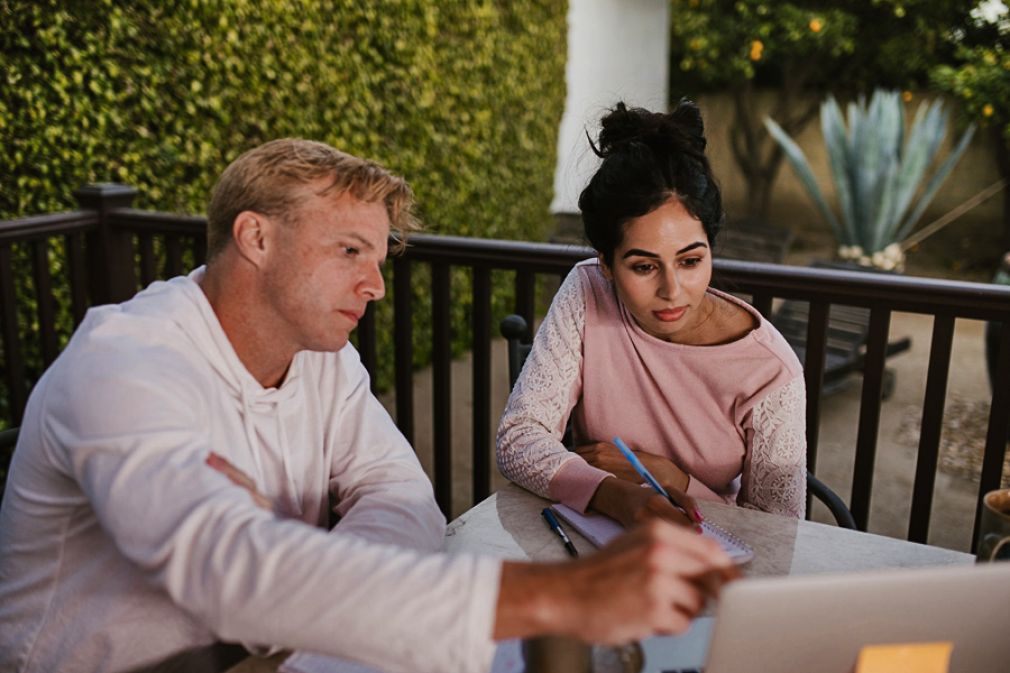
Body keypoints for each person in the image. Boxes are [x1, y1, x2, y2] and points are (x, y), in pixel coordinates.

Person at [0, 139, 737, 673]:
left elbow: (401, 494)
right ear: (255, 237)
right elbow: (223, 564)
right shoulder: (124, 361)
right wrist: (558, 594)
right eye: (351, 251)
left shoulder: (322, 356)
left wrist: (305, 606)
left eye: (379, 259)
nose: (376, 285)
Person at [497, 101, 807, 531]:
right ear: (606, 263)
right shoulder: (589, 289)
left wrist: (670, 478)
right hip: (599, 549)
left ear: (710, 250)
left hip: (714, 562)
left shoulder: (771, 371)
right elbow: (518, 438)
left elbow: (781, 531)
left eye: (691, 261)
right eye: (643, 266)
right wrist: (614, 495)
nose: (672, 291)